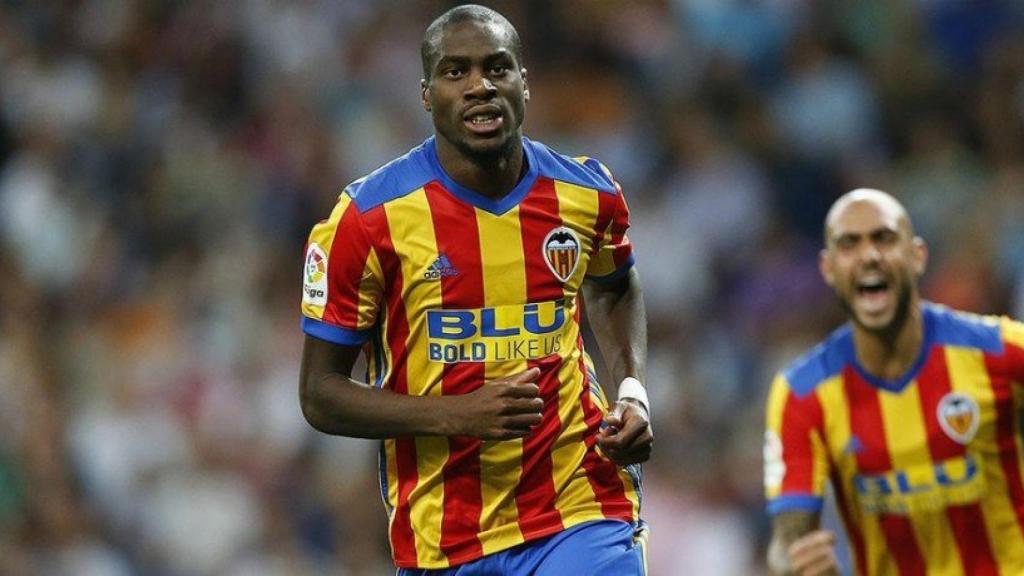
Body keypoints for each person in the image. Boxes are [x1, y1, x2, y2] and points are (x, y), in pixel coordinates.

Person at [298, 5, 652, 574]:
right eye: (455, 72)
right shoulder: (367, 219)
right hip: (444, 536)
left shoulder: (587, 193)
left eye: (497, 68)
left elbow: (614, 286)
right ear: (425, 93)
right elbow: (320, 393)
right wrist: (454, 414)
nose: (480, 86)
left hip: (580, 506)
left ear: (524, 84)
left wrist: (631, 388)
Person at [764, 188, 1024, 575]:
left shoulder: (1000, 352)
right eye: (849, 244)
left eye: (884, 238)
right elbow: (788, 541)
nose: (869, 255)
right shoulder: (803, 393)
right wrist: (796, 564)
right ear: (828, 268)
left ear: (917, 256)